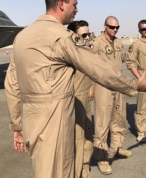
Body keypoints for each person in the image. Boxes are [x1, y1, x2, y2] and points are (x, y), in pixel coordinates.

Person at [4, 0, 146, 178]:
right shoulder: (62, 37)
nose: (77, 9)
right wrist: (134, 84)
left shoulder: (22, 36)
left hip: (31, 121)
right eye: (74, 4)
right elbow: (99, 69)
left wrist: (17, 125)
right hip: (55, 120)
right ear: (61, 4)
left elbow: (12, 84)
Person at [92, 16, 131, 175]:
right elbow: (90, 66)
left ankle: (116, 148)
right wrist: (90, 86)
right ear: (104, 26)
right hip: (103, 86)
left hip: (118, 85)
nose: (114, 30)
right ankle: (101, 157)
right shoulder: (96, 44)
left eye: (117, 28)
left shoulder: (119, 42)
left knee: (119, 117)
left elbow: (123, 58)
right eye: (112, 27)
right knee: (102, 122)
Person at [67, 20, 94, 178]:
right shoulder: (68, 52)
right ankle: (77, 173)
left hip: (85, 97)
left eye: (88, 34)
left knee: (88, 135)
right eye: (83, 35)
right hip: (74, 99)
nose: (87, 38)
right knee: (77, 138)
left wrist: (92, 86)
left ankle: (85, 169)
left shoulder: (85, 50)